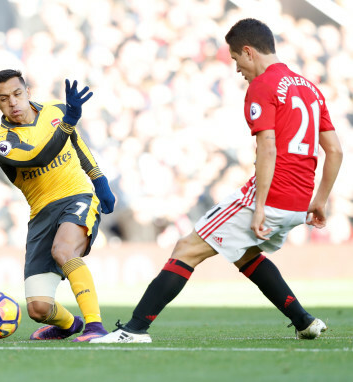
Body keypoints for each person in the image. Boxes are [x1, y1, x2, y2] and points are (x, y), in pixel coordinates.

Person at [91, 18, 343, 344]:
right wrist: (320, 201)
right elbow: (335, 150)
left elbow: (267, 146)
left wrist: (261, 205)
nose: (238, 70)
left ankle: (134, 329)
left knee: (187, 248)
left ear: (249, 52)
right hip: (299, 201)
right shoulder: (310, 88)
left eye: (237, 60)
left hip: (271, 194)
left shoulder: (263, 86)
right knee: (244, 253)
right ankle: (304, 321)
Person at [0, 69, 116, 342]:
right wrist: (68, 122)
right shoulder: (1, 143)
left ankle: (95, 326)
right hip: (41, 214)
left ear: (27, 92)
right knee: (38, 308)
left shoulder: (55, 111)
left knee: (64, 250)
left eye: (17, 94)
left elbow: (76, 143)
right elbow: (40, 157)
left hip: (76, 196)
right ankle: (70, 324)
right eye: (4, 98)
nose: (13, 102)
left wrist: (99, 180)